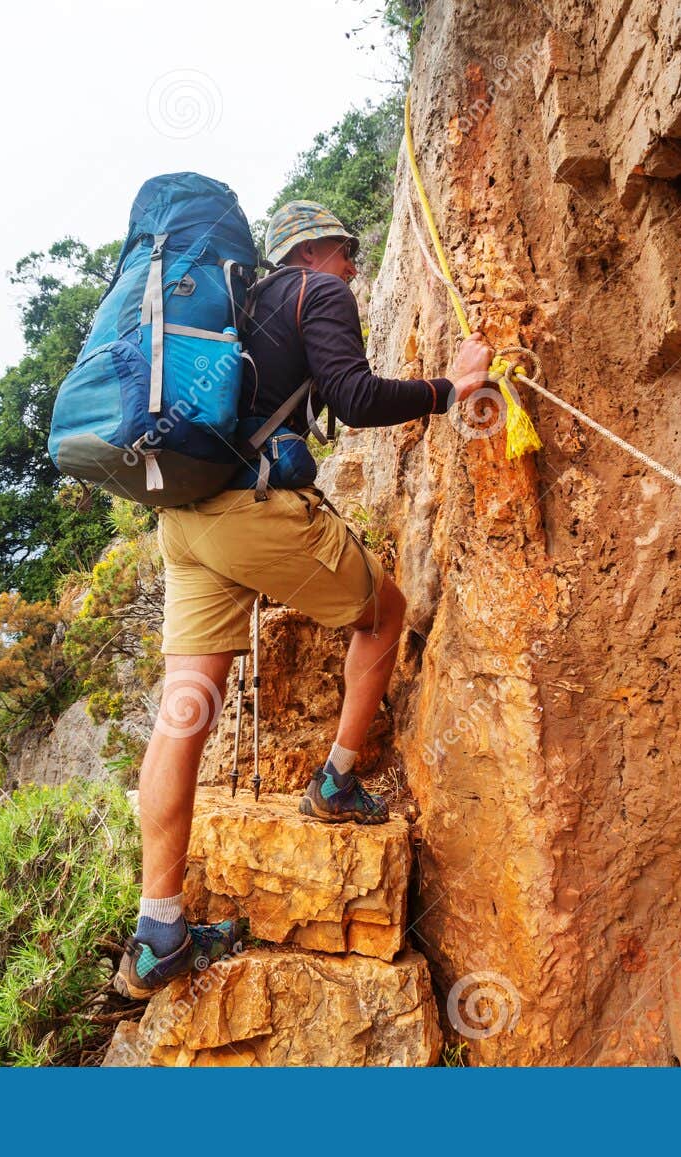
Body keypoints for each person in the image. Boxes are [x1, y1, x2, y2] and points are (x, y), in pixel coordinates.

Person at [114, 199, 493, 999]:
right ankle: (335, 783)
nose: (356, 268)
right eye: (348, 254)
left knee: (183, 712)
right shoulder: (317, 294)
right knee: (385, 613)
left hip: (181, 517)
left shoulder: (235, 307)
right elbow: (353, 399)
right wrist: (449, 389)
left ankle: (159, 934)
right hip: (248, 510)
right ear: (314, 252)